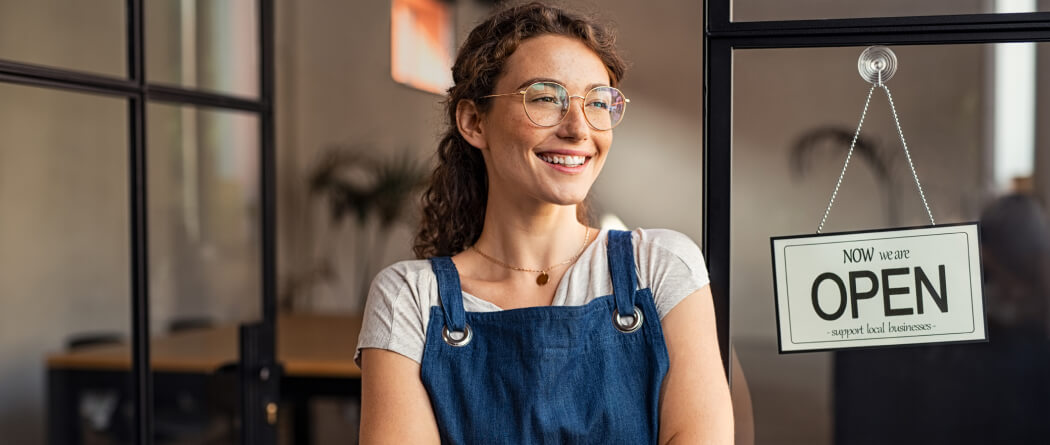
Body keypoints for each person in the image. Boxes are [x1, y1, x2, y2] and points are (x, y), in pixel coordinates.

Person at [355, 2, 734, 443]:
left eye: (597, 102)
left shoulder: (662, 266)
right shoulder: (410, 300)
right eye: (544, 98)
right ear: (474, 121)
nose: (579, 128)